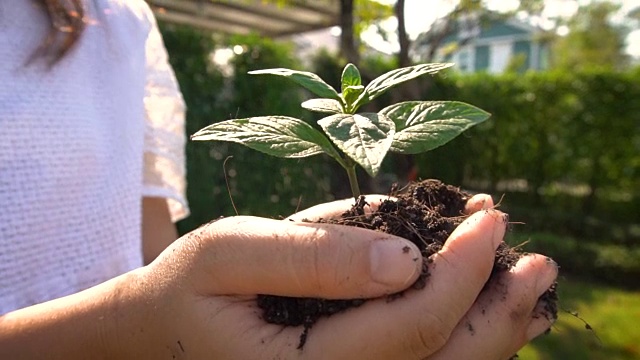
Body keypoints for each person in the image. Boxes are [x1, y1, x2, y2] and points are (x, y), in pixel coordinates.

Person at [0, 1, 558, 359]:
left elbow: (147, 250)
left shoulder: (118, 18)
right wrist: (135, 323)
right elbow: (150, 303)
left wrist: (189, 309)